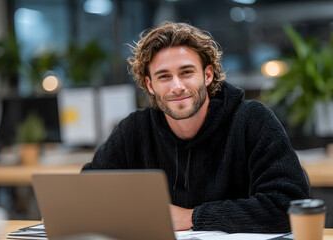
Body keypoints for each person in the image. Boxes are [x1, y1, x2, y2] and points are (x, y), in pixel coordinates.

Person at [82, 22, 310, 233]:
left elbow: (290, 205)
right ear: (150, 85)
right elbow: (87, 192)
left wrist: (191, 217)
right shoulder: (134, 130)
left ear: (208, 75)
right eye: (164, 77)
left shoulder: (251, 120)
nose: (177, 86)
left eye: (186, 72)